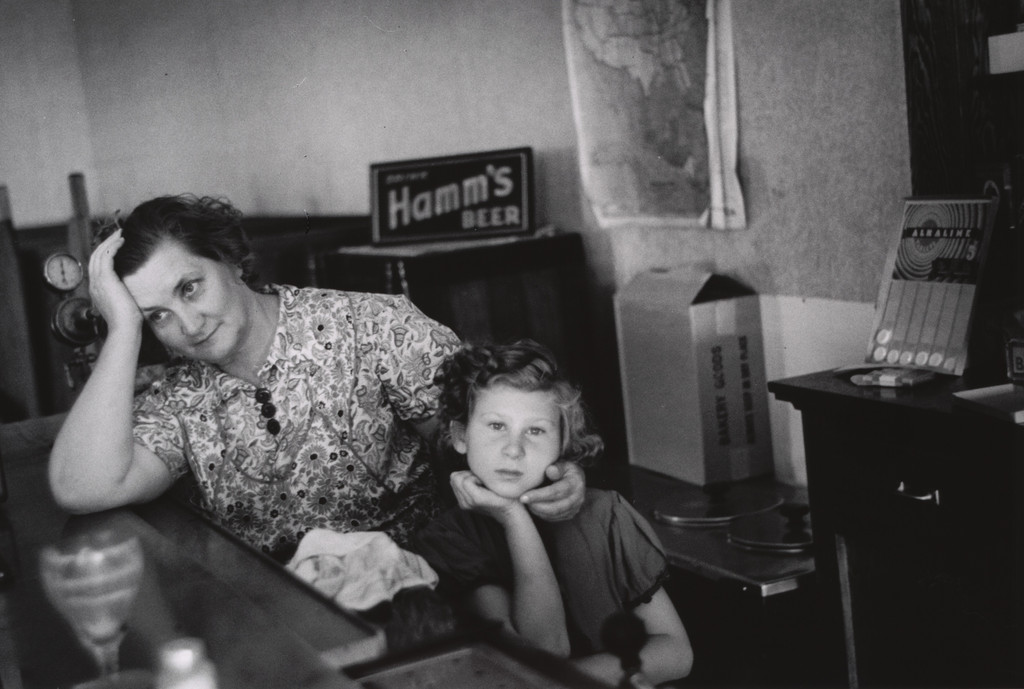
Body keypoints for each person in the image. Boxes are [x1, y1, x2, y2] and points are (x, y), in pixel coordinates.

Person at [47, 194, 585, 562]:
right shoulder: (177, 396)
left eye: (189, 287)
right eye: (155, 316)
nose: (187, 326)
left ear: (231, 260)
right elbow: (80, 487)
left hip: (421, 598)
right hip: (276, 624)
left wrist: (560, 476)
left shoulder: (376, 328)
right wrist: (120, 331)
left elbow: (490, 441)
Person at [410, 340, 693, 686]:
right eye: (496, 426)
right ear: (460, 435)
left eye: (535, 430)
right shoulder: (450, 539)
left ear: (562, 445)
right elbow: (545, 650)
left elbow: (677, 653)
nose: (514, 449)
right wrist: (514, 517)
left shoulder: (605, 514)